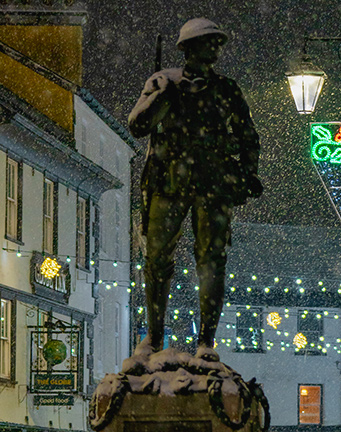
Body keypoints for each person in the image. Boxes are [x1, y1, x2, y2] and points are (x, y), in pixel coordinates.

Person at [127, 18, 262, 362]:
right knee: (156, 259)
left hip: (213, 183)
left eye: (218, 42)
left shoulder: (227, 89)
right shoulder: (162, 82)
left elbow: (248, 137)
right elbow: (138, 125)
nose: (215, 47)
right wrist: (163, 98)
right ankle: (154, 338)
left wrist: (247, 173)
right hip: (169, 181)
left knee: (212, 262)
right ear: (187, 48)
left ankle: (206, 341)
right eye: (208, 41)